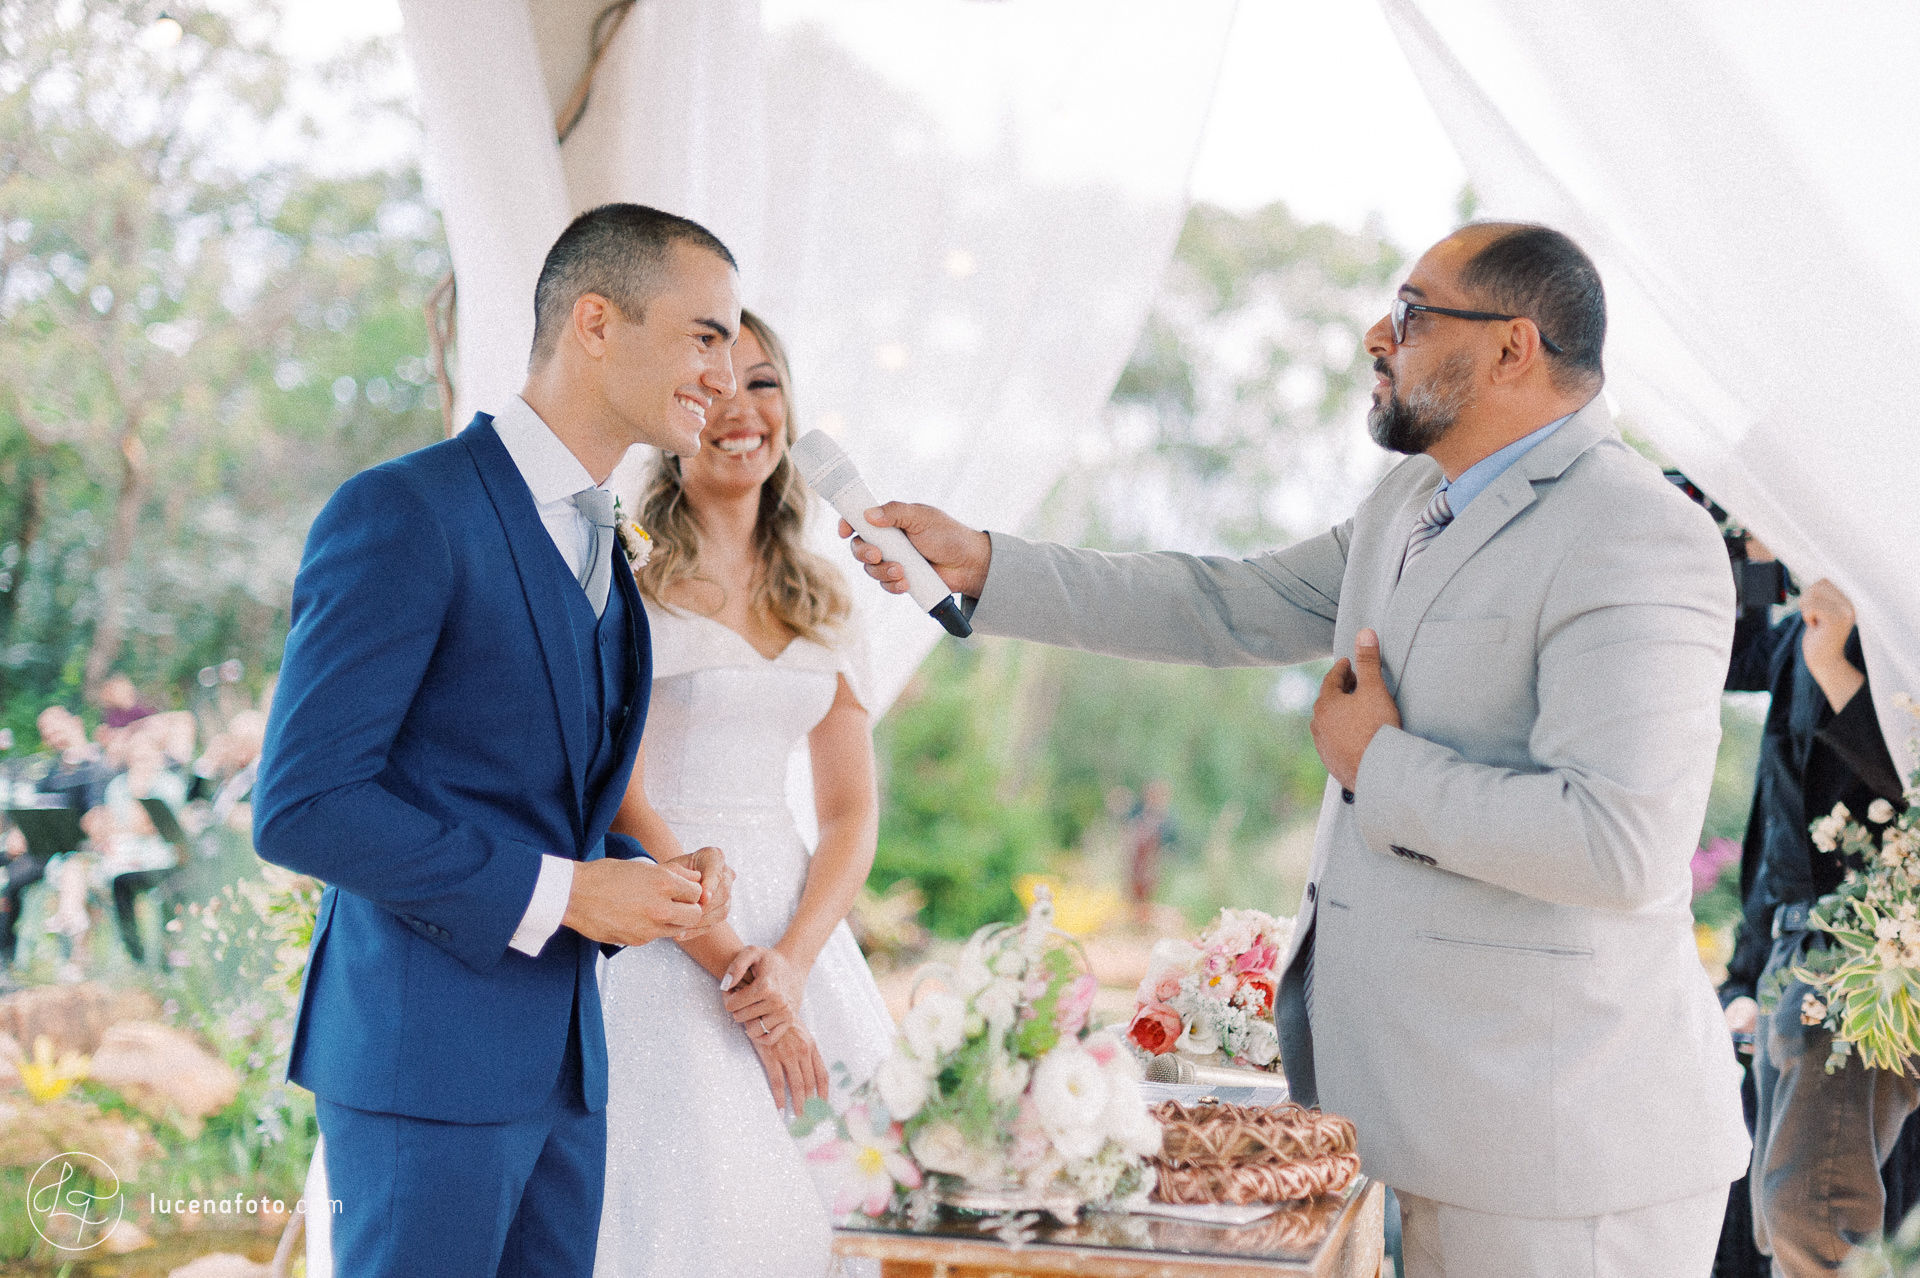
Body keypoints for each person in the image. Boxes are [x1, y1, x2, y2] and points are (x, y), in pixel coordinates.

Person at [847, 223, 1750, 1276]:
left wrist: (1381, 768)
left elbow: (1621, 845)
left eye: (1414, 314)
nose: (1378, 334)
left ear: (1514, 348)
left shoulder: (1638, 532)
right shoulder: (1408, 504)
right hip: (1391, 1124)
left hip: (1559, 1162)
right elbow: (1225, 602)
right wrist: (988, 566)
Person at [255, 203, 740, 1278]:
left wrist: (644, 877)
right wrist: (569, 893)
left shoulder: (608, 542)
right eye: (706, 335)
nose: (726, 369)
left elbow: (532, 794)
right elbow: (302, 805)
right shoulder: (402, 513)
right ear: (596, 321)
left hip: (565, 1074)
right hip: (420, 1066)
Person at [594, 310, 895, 1278]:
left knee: (843, 1209)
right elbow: (623, 794)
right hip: (667, 919)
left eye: (762, 383)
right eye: (713, 384)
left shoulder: (827, 594)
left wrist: (792, 968)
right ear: (678, 411)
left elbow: (850, 810)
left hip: (797, 934)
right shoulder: (628, 578)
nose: (740, 407)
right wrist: (733, 967)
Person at [1716, 562, 1911, 1276]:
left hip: (1871, 956)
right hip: (1792, 955)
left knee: (1814, 1216)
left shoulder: (1892, 606)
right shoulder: (1803, 625)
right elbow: (1720, 647)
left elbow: (1910, 781)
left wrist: (1835, 667)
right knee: (1780, 1222)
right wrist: (1745, 976)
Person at [83, 730, 186, 965]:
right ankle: (134, 951)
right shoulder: (117, 787)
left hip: (163, 859)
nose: (141, 762)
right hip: (125, 859)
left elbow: (152, 826)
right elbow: (110, 827)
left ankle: (165, 953)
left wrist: (139, 793)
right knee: (118, 881)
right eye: (136, 756)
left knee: (164, 887)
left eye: (146, 756)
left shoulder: (171, 785)